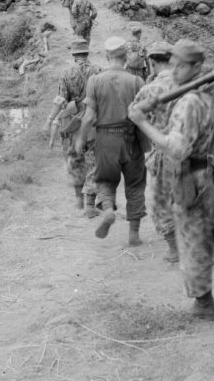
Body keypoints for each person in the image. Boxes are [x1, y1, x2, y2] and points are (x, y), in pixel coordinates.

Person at [128, 38, 214, 325]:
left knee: (193, 240)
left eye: (180, 66)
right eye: (173, 65)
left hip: (195, 177)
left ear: (196, 67)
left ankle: (204, 304)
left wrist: (141, 122)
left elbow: (176, 149)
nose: (175, 71)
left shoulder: (188, 102)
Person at [75, 35, 146, 244]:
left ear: (107, 56)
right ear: (125, 57)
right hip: (131, 138)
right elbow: (144, 115)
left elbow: (89, 116)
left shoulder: (95, 81)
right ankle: (134, 234)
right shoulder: (137, 81)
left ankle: (107, 210)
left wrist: (80, 139)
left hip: (105, 138)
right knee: (135, 184)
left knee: (105, 180)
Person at [129, 40, 179, 262]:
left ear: (151, 61)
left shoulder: (149, 89)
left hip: (165, 153)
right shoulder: (193, 84)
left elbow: (134, 114)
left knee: (162, 202)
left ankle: (174, 249)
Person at [46, 39, 97, 213]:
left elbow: (61, 101)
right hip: (93, 121)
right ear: (87, 53)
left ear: (74, 55)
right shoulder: (98, 71)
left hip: (72, 123)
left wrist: (50, 120)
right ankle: (90, 203)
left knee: (74, 159)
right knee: (92, 162)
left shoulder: (66, 73)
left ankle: (78, 200)